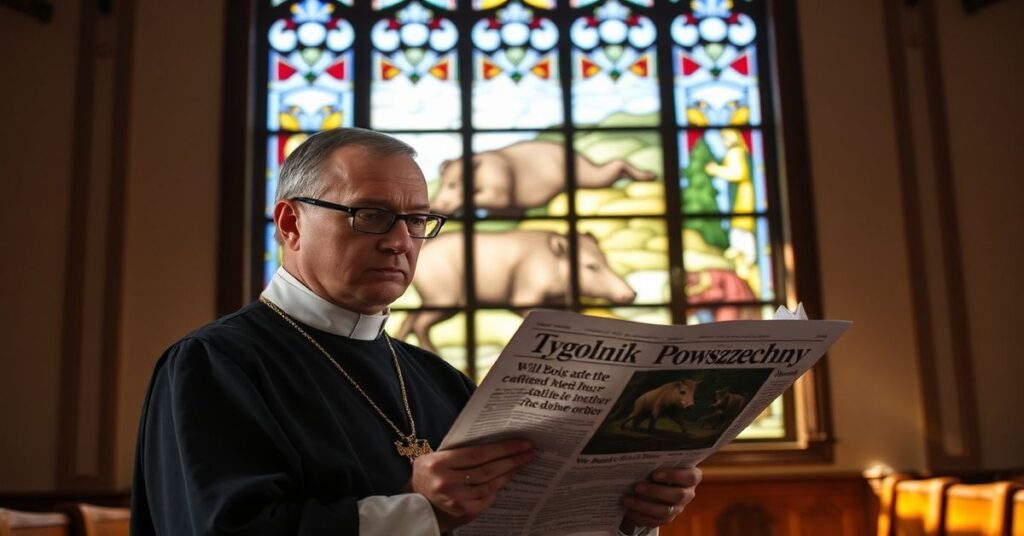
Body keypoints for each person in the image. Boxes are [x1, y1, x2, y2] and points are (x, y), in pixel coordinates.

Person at [130, 128, 701, 535]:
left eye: (418, 220)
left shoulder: (434, 376)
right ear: (290, 223)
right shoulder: (213, 364)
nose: (400, 241)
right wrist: (420, 511)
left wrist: (624, 515)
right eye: (370, 215)